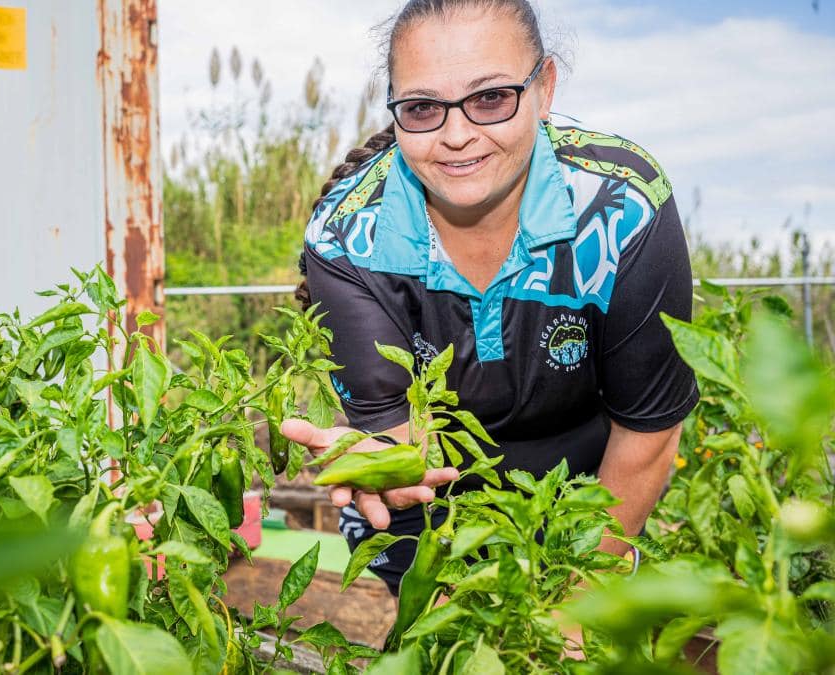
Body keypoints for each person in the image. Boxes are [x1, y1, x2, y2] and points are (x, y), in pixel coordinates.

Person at [281, 0, 699, 598]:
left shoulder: (623, 209)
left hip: (587, 484)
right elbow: (403, 445)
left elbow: (648, 432)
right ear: (396, 111)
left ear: (544, 87)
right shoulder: (348, 237)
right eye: (423, 107)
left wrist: (579, 603)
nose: (457, 136)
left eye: (491, 98)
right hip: (431, 506)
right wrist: (390, 469)